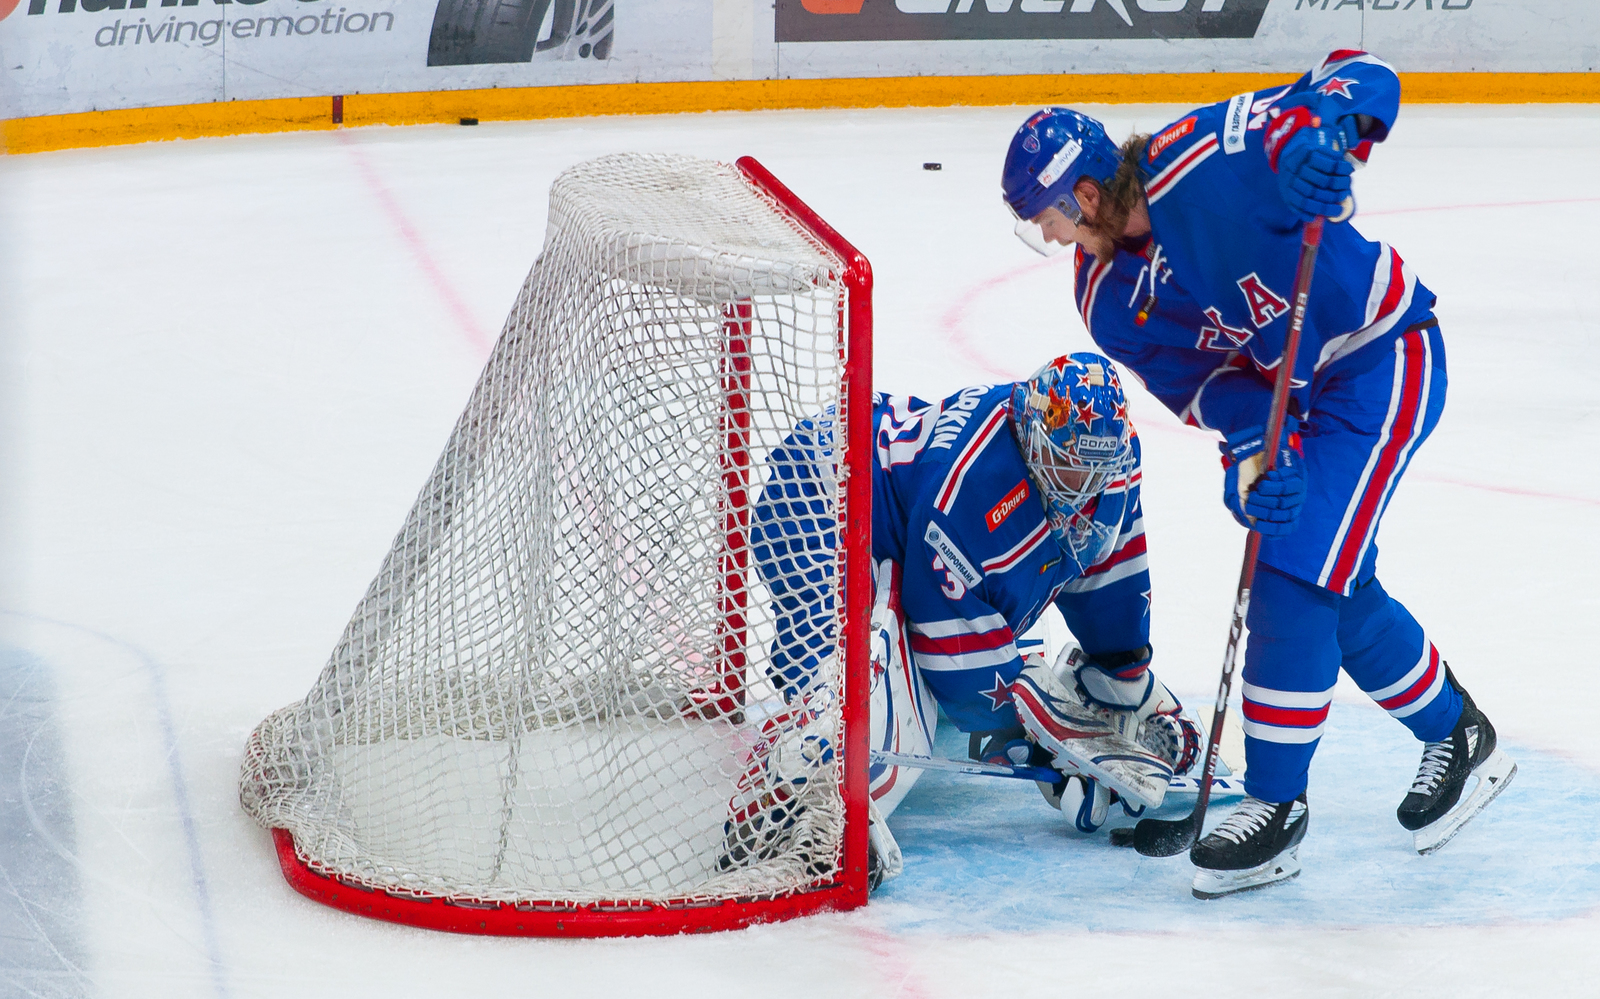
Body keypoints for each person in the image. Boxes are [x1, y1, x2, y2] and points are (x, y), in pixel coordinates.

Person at [999, 50, 1515, 898]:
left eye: (1046, 216)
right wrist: (1254, 458)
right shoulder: (1104, 301)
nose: (1049, 236)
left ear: (1083, 194)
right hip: (1299, 404)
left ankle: (1277, 808)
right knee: (1334, 581)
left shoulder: (1203, 153)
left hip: (1378, 358)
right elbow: (1210, 388)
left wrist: (1330, 139)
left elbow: (1353, 73)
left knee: (1295, 575)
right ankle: (1458, 735)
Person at [717, 352, 1203, 887]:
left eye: (1097, 471)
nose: (1084, 485)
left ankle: (1101, 686)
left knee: (1021, 621)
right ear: (1034, 438)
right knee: (881, 699)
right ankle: (803, 796)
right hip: (823, 496)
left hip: (910, 530)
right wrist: (1035, 744)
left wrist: (1122, 668)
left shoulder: (1111, 459)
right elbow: (946, 642)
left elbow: (1109, 563)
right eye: (1070, 466)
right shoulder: (972, 484)